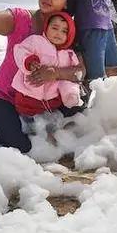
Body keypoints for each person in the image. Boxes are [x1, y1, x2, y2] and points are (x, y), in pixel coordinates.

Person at [0, 0, 84, 153]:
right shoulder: (22, 19)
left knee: (71, 123)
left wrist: (55, 73)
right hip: (4, 98)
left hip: (40, 103)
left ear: (67, 2)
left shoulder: (68, 32)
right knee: (22, 147)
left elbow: (80, 72)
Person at [12, 12, 82, 144]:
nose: (58, 33)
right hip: (28, 99)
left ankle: (55, 132)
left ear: (70, 35)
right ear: (46, 27)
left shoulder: (69, 55)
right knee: (31, 126)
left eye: (64, 31)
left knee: (54, 118)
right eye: (54, 28)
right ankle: (38, 136)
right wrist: (30, 61)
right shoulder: (36, 41)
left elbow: (72, 78)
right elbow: (20, 50)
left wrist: (70, 93)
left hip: (50, 102)